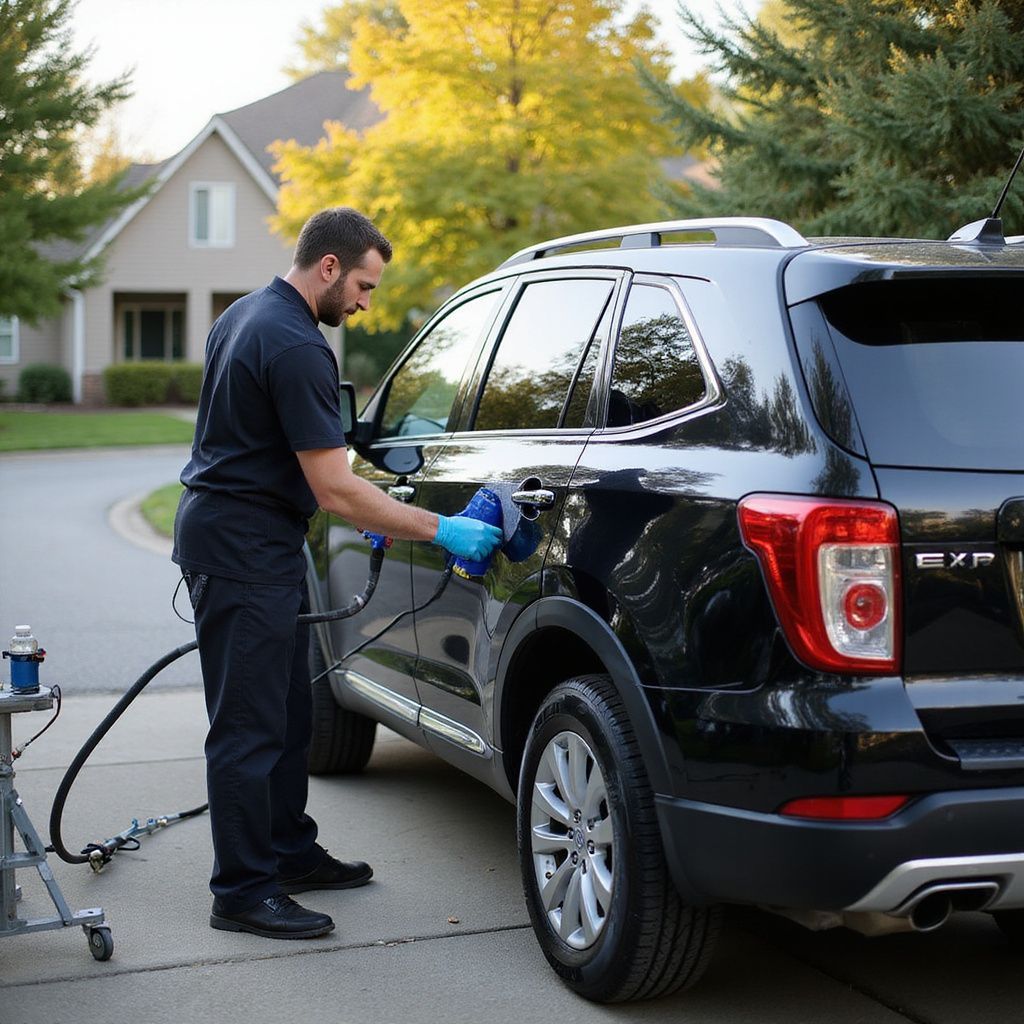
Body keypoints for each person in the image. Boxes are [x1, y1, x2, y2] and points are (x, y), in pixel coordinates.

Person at [172, 207, 502, 940]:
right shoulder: (294, 343)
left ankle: (288, 851)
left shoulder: (244, 316)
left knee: (288, 714)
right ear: (328, 267)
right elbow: (337, 490)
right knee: (248, 728)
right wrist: (441, 527)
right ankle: (242, 890)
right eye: (363, 285)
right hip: (243, 551)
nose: (363, 302)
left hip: (249, 539)